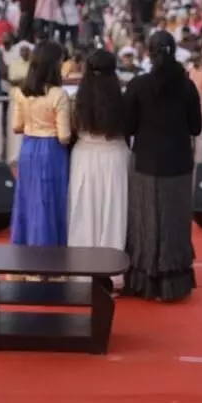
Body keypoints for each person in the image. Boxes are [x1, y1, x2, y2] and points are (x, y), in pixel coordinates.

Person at [121, 31, 202, 301]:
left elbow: (127, 126)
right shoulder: (187, 86)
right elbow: (196, 127)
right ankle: (172, 281)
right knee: (175, 222)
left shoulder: (138, 85)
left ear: (149, 52)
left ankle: (145, 278)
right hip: (178, 164)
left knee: (145, 219)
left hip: (145, 162)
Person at [68, 50, 130, 258]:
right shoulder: (121, 99)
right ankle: (111, 270)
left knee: (83, 213)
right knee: (113, 214)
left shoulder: (78, 100)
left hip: (84, 158)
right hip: (114, 158)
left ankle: (81, 267)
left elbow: (72, 129)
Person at [9, 41, 72, 246]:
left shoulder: (21, 92)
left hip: (28, 148)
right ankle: (49, 252)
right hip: (51, 150)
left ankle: (26, 249)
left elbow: (16, 126)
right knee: (49, 201)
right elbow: (64, 136)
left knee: (28, 199)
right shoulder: (58, 95)